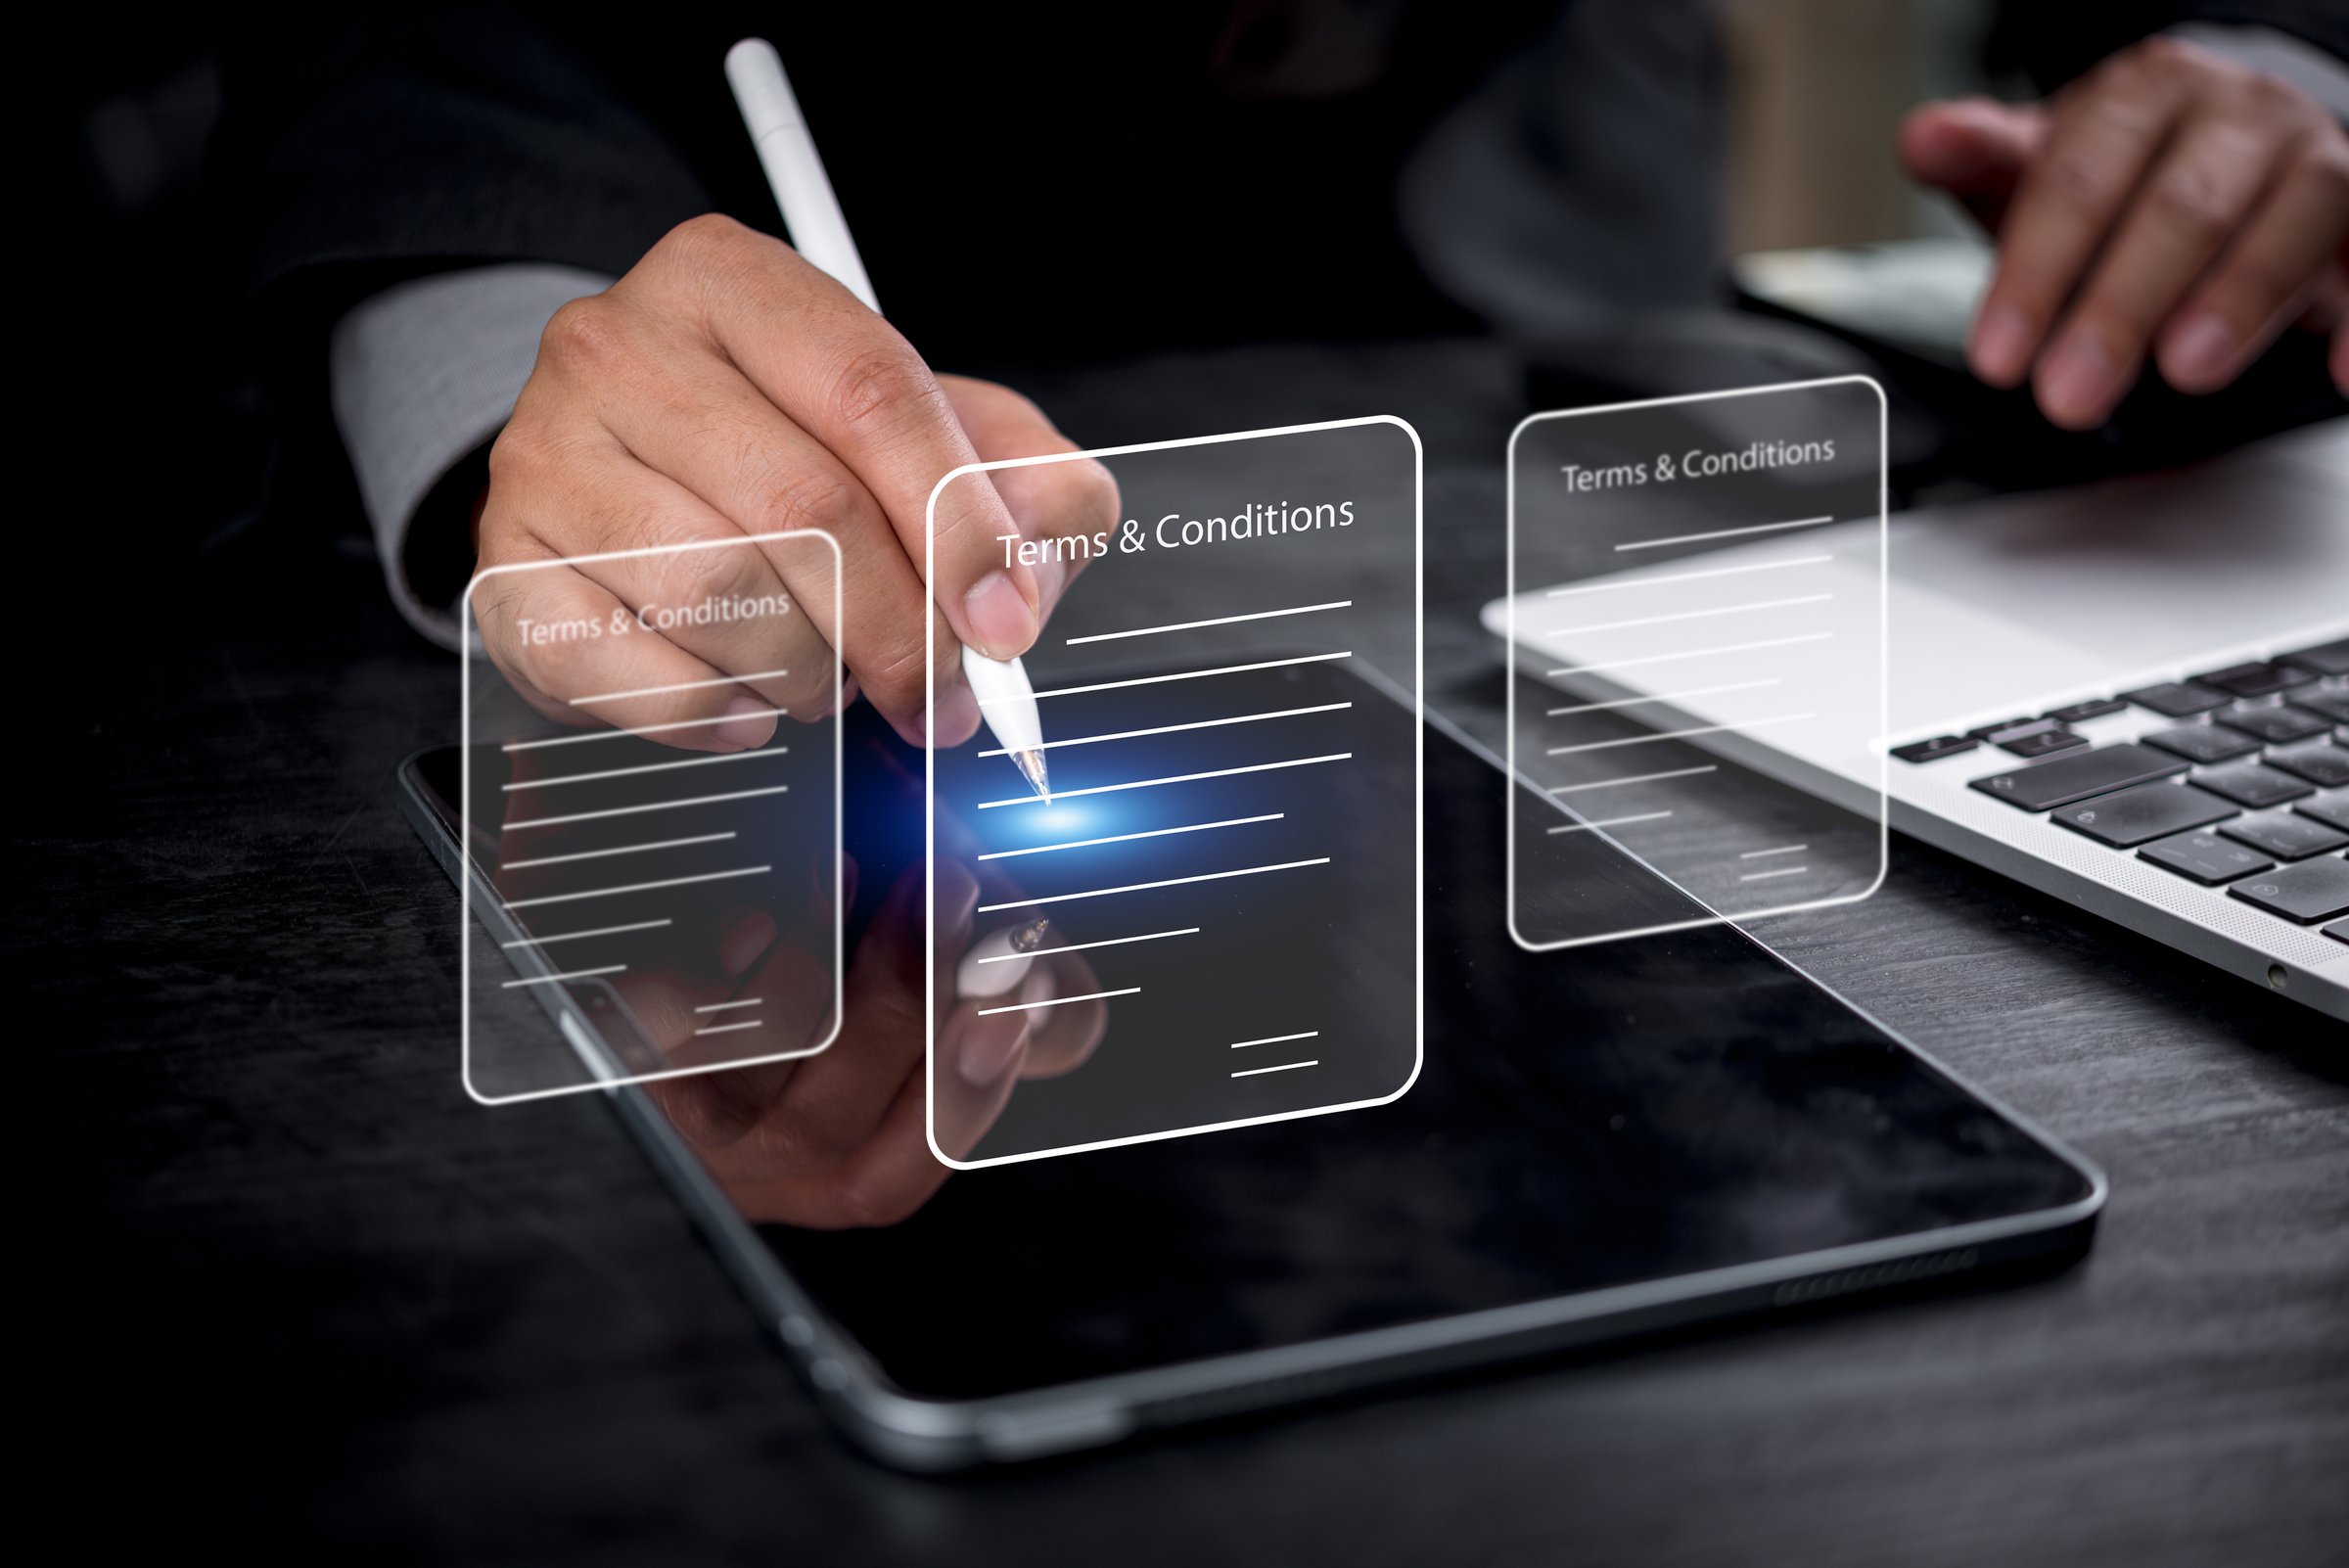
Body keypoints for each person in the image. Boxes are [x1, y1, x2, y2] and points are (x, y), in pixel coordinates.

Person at [219, 2, 2349, 1225]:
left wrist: (2275, 83)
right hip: (807, 362)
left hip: (1558, 431)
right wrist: (540, 392)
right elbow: (406, 62)